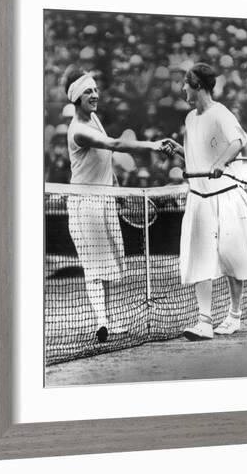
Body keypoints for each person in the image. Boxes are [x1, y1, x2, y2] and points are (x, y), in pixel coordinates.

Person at [165, 63, 247, 339]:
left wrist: (221, 161)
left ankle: (234, 316)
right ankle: (204, 322)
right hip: (199, 200)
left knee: (232, 259)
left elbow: (239, 140)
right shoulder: (190, 119)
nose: (182, 89)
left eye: (186, 84)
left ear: (198, 86)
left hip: (225, 198)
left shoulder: (220, 113)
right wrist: (179, 150)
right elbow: (195, 156)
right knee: (199, 259)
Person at [65, 69, 171, 343]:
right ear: (76, 97)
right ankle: (101, 321)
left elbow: (105, 156)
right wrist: (153, 145)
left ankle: (107, 321)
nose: (95, 95)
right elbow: (113, 143)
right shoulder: (78, 130)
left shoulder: (94, 118)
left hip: (105, 200)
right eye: (89, 91)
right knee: (93, 266)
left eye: (96, 90)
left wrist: (115, 186)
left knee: (109, 266)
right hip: (84, 205)